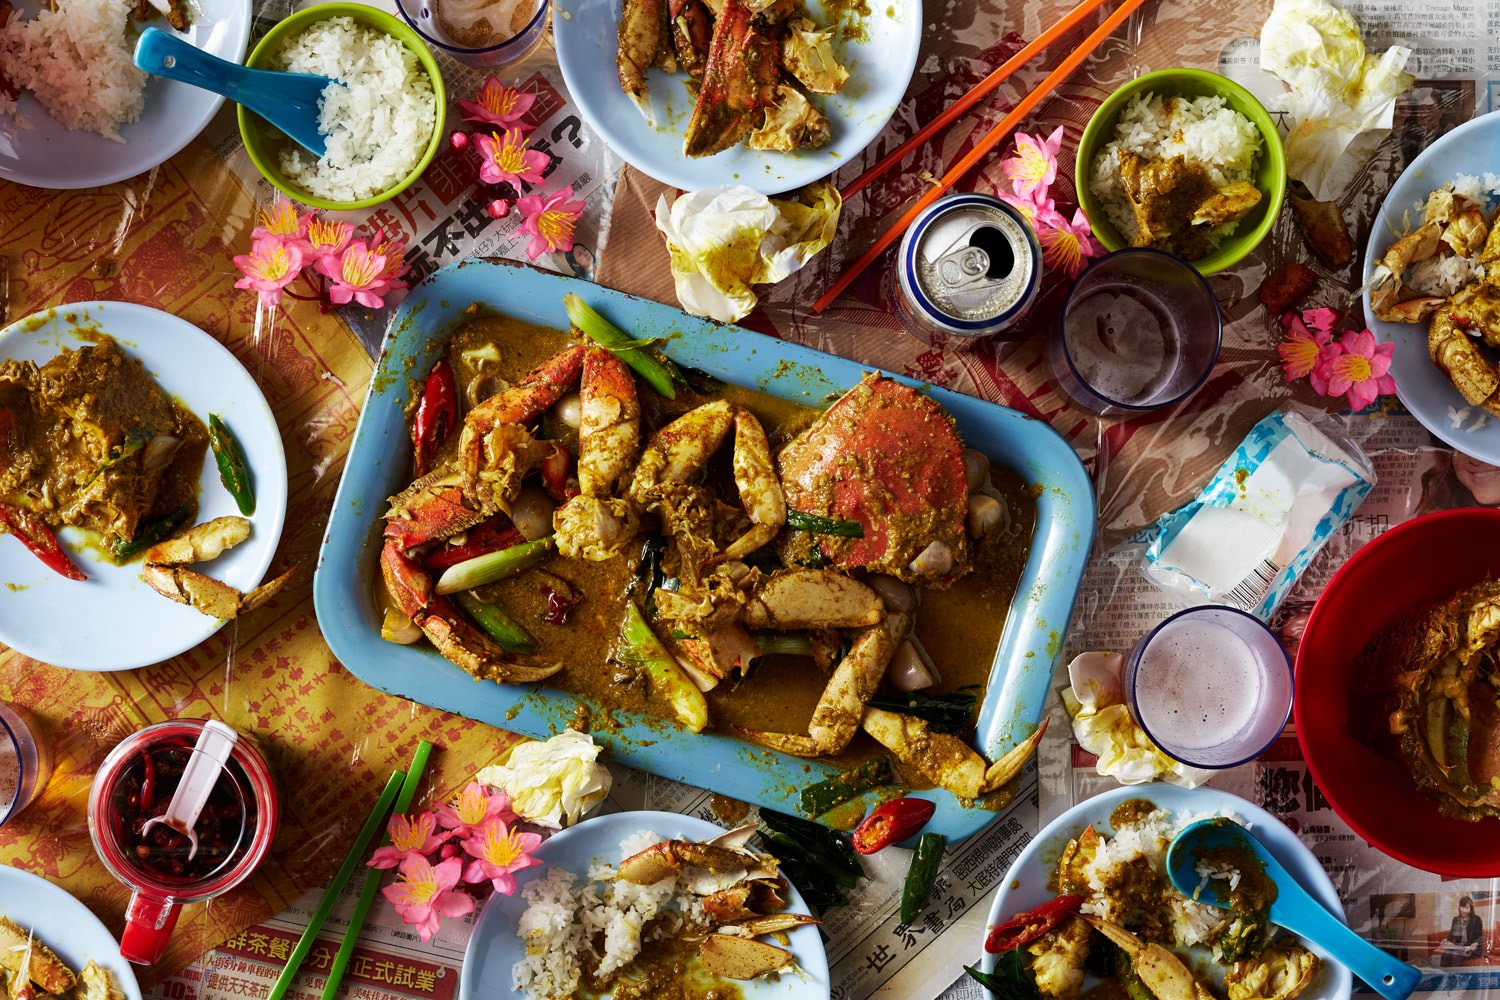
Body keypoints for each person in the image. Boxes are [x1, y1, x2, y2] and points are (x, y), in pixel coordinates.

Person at [1432, 895, 1485, 966]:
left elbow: (1480, 936)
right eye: (1462, 907)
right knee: (1446, 954)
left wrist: (1475, 943)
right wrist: (1446, 939)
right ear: (1459, 907)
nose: (1463, 910)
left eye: (1466, 908)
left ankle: (1456, 977)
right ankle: (1444, 975)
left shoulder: (1476, 919)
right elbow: (1451, 935)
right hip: (1459, 947)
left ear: (1471, 908)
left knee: (1455, 955)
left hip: (1471, 949)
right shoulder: (1456, 920)